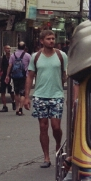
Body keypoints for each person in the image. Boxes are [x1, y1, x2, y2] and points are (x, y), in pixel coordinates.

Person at [24, 31, 68, 169]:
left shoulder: (61, 56)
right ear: (42, 41)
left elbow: (66, 74)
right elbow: (30, 77)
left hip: (57, 95)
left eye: (53, 38)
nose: (51, 41)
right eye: (48, 39)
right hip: (40, 95)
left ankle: (58, 147)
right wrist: (26, 97)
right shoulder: (35, 57)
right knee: (43, 127)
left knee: (56, 127)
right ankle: (46, 157)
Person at [7, 42, 31, 116]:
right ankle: (21, 109)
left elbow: (10, 66)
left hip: (15, 76)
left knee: (16, 92)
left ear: (17, 47)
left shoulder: (13, 55)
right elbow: (32, 66)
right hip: (24, 76)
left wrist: (7, 75)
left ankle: (17, 109)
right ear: (24, 47)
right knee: (22, 93)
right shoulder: (27, 55)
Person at [0, 44, 11, 112]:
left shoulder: (12, 57)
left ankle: (14, 102)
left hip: (11, 76)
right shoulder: (2, 58)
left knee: (11, 91)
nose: (8, 50)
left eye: (9, 48)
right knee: (2, 91)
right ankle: (4, 106)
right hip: (4, 76)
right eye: (7, 48)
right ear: (4, 49)